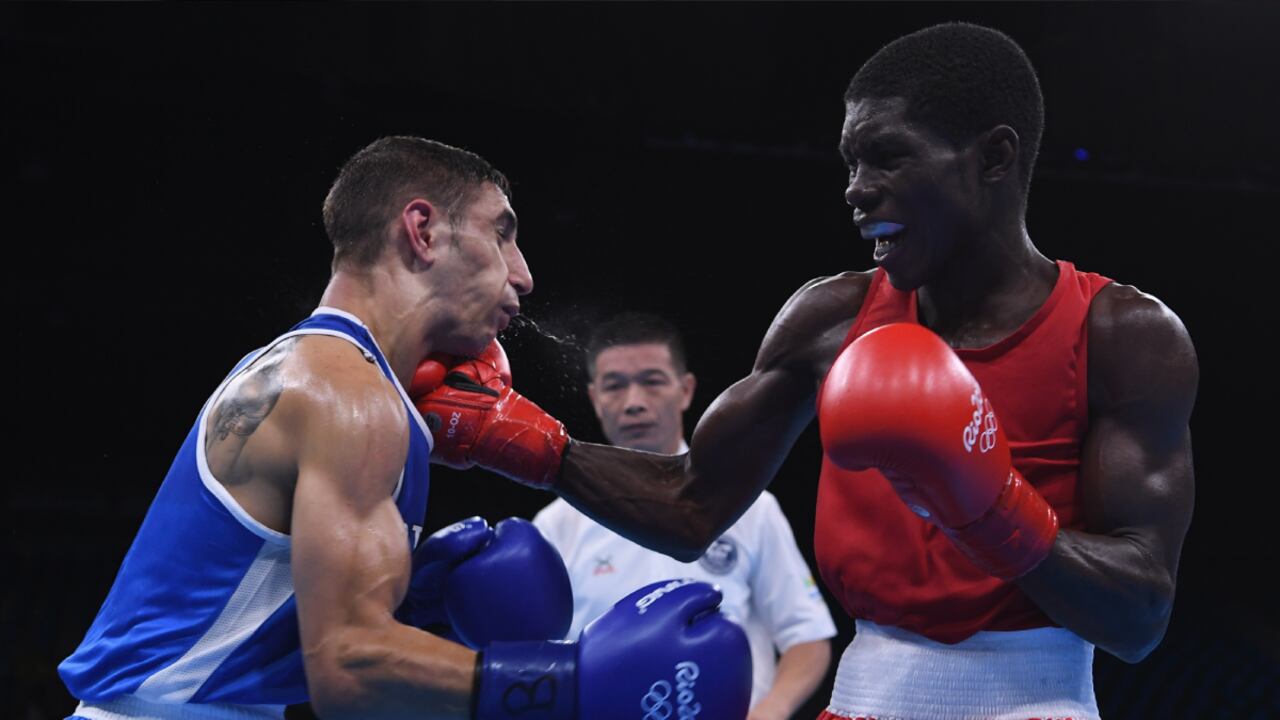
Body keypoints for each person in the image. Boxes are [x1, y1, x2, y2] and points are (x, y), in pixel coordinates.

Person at [414, 23, 1197, 720]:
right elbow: (691, 505)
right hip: (861, 700)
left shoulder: (1125, 336)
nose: (857, 191)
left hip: (1040, 700)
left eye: (888, 157)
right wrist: (516, 439)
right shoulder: (830, 320)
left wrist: (990, 507)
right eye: (851, 163)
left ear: (994, 156)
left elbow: (1140, 620)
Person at [57, 136, 753, 720]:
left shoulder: (316, 368)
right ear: (422, 231)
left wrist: (419, 600)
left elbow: (275, 623)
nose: (525, 274)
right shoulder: (346, 395)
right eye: (502, 232)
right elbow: (346, 668)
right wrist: (569, 682)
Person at [532, 313, 836, 719]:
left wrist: (769, 713)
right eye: (615, 386)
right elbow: (535, 656)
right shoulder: (557, 524)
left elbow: (808, 637)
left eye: (652, 381)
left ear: (686, 389)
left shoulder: (750, 507)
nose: (634, 401)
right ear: (594, 398)